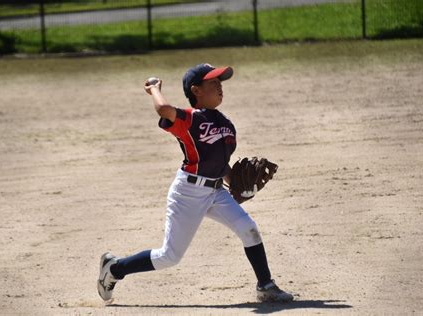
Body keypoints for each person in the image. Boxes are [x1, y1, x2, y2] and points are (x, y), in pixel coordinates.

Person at [97, 64, 293, 303]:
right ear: (196, 90)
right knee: (169, 257)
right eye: (213, 83)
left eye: (220, 82)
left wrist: (239, 185)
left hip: (216, 192)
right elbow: (163, 109)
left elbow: (221, 164)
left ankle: (266, 285)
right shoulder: (189, 119)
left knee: (248, 229)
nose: (220, 87)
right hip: (188, 193)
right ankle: (115, 268)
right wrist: (154, 89)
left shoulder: (226, 124)